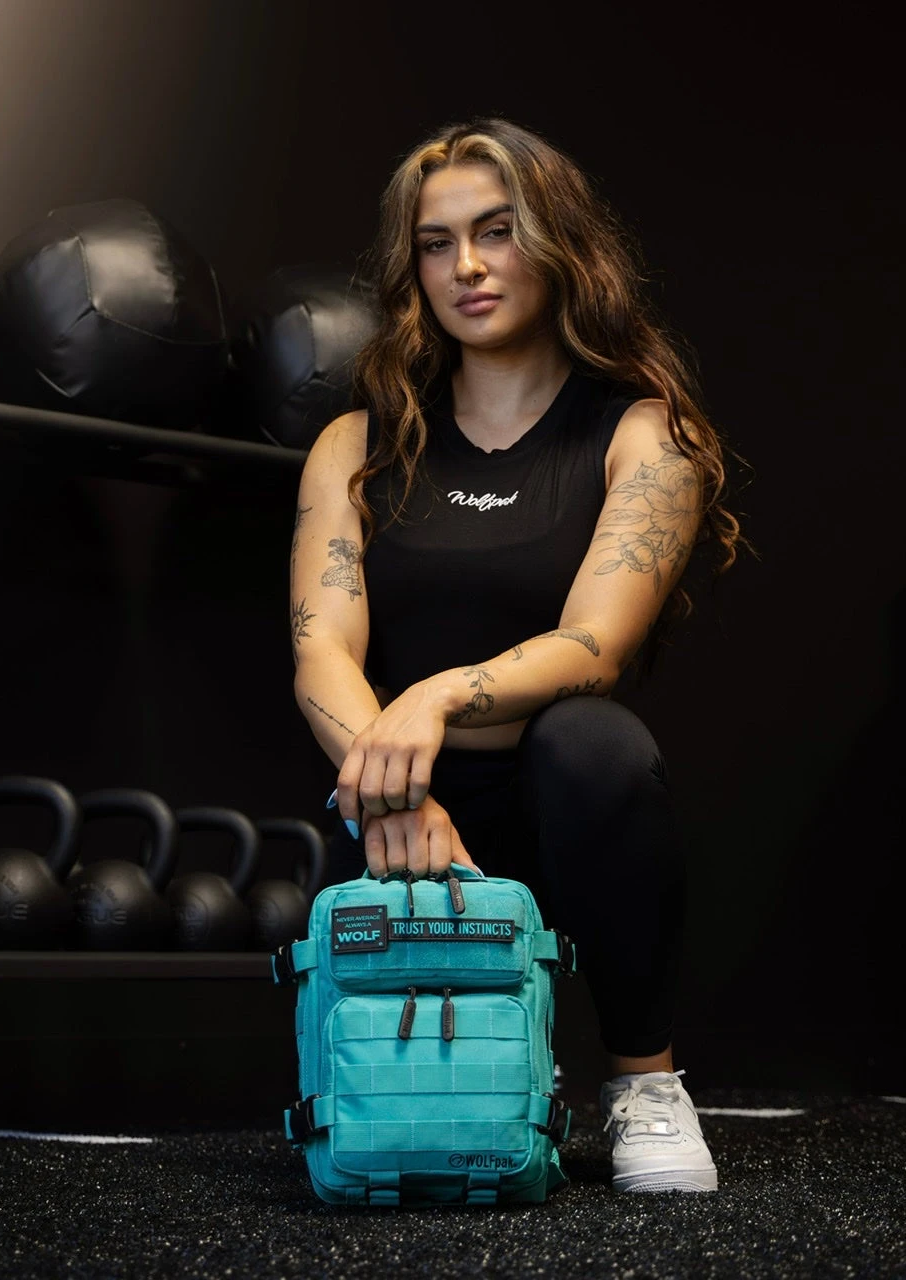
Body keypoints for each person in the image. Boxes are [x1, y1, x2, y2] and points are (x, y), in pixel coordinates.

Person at [288, 117, 745, 1194]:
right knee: (397, 1135)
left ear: (558, 243)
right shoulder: (356, 446)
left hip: (561, 805)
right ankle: (485, 1054)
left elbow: (594, 646)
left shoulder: (644, 434)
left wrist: (437, 697)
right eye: (436, 243)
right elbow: (322, 651)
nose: (468, 266)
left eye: (496, 231)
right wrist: (388, 788)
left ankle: (644, 1083)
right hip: (399, 800)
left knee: (595, 743)